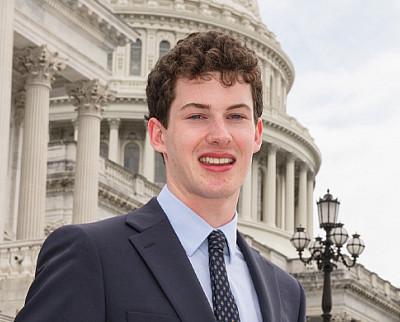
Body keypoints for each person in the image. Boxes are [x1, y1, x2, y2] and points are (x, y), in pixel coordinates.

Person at [15, 31, 305, 322]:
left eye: (236, 116)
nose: (220, 135)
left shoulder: (287, 294)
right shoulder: (91, 255)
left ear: (256, 136)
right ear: (158, 135)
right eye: (197, 116)